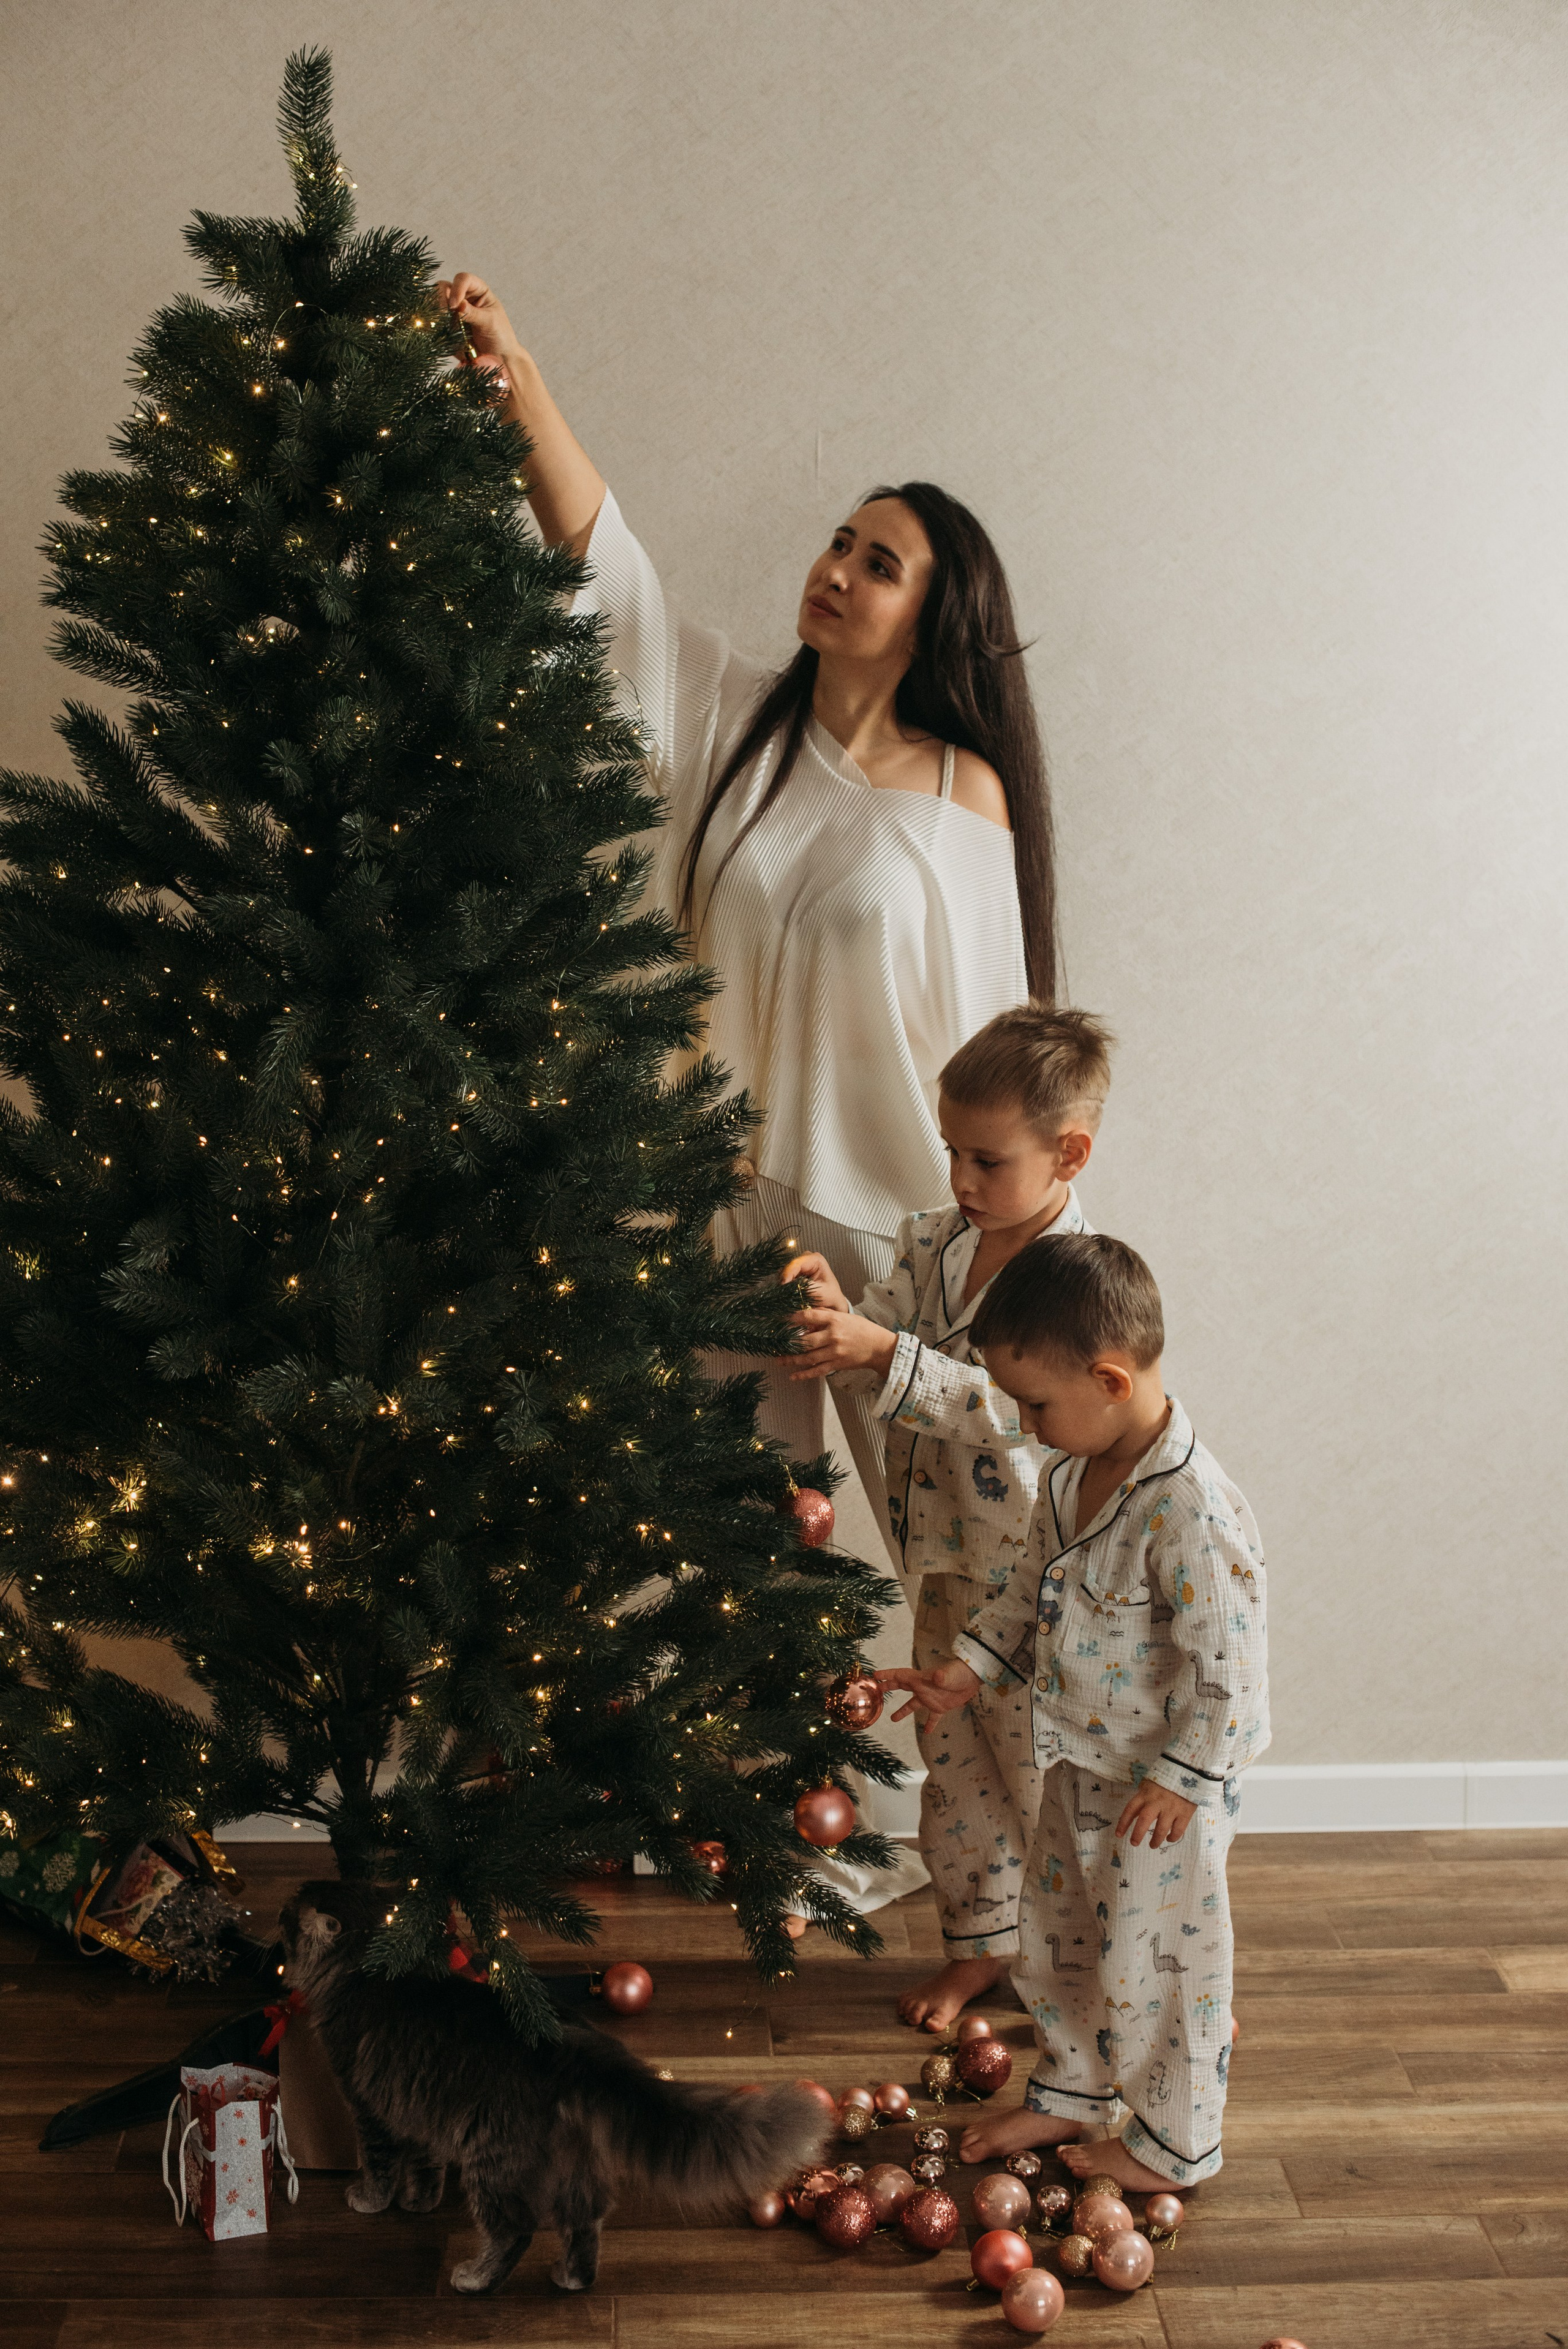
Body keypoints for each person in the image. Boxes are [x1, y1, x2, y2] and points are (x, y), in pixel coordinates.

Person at [432, 272, 1057, 1549]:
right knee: (746, 1573)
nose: (835, 570)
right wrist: (517, 379)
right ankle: (792, 1761)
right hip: (722, 1210)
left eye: (877, 565)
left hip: (891, 1232)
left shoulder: (960, 793)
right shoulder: (730, 720)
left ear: (930, 615)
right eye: (839, 542)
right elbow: (606, 571)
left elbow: (1000, 1037)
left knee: (982, 1564)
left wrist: (1028, 1238)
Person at [876, 1234, 1268, 2190]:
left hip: (1160, 1796)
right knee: (1063, 1944)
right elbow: (1023, 1590)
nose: (1026, 1423)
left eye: (1037, 1404)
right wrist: (967, 1669)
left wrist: (1185, 1779)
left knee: (1161, 1971)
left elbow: (1232, 1666)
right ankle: (1070, 2095)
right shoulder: (1065, 1477)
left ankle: (1171, 2146)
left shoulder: (1192, 1510)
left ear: (1109, 1378)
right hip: (1074, 1767)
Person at [780, 1006, 1114, 2030]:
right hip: (940, 1563)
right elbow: (895, 1325)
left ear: (1069, 1154)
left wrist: (886, 1356)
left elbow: (1022, 1415)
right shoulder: (932, 1239)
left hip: (1033, 1584)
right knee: (957, 1773)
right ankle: (980, 1950)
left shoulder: (1074, 1280)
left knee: (1041, 1782)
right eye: (950, 1153)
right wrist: (848, 1309)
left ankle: (1089, 1975)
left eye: (987, 1160)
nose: (962, 1181)